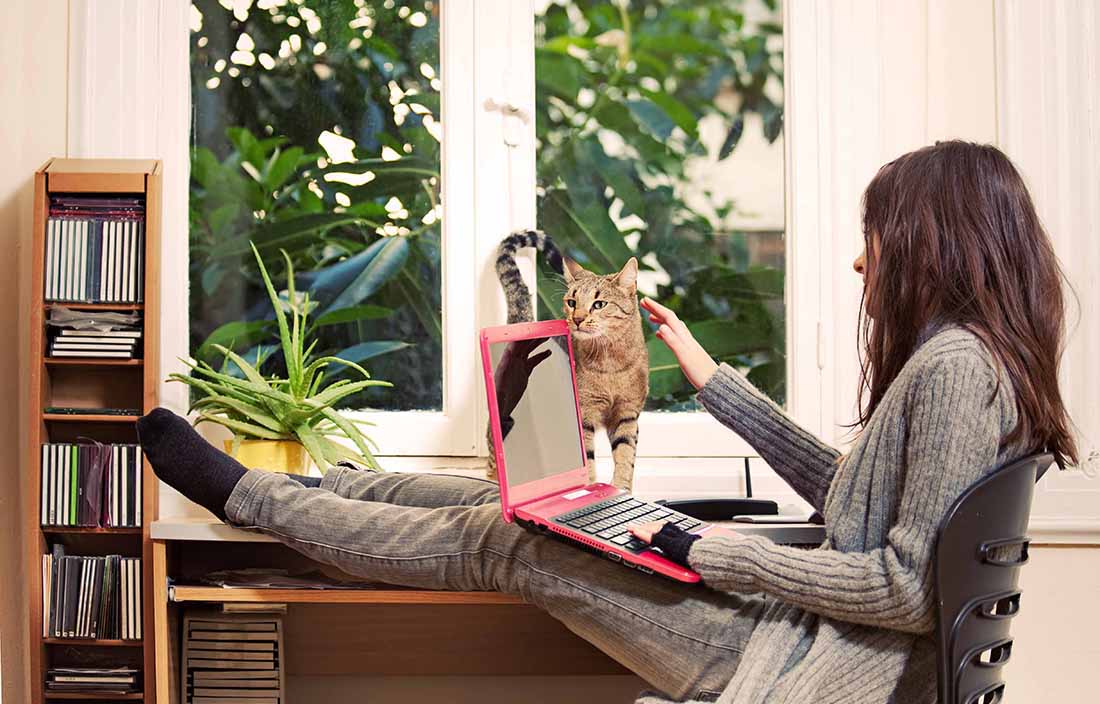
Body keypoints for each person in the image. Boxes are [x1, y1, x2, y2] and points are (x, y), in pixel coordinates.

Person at [141, 140, 1076, 704]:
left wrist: (712, 549)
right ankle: (316, 489)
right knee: (507, 495)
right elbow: (860, 503)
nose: (862, 265)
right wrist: (721, 390)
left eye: (873, 239)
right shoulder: (968, 359)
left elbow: (909, 586)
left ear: (928, 240)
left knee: (513, 538)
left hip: (800, 660)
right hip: (804, 631)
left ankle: (251, 493)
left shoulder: (956, 367)